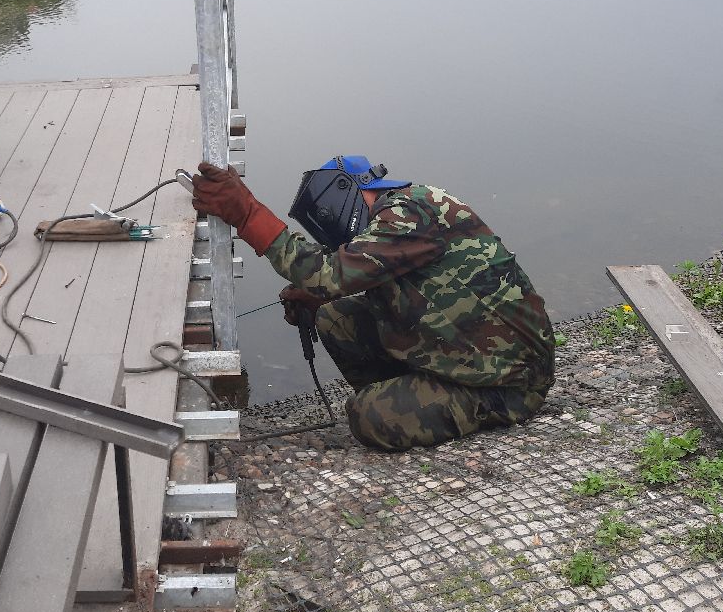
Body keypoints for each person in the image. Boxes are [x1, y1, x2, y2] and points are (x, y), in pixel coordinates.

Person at [192, 156, 555, 451]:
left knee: (368, 417)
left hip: (507, 380)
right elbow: (381, 277)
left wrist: (247, 214)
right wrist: (318, 295)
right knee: (334, 317)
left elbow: (329, 273)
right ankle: (414, 397)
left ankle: (414, 406)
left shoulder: (409, 211)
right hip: (463, 352)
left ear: (344, 194)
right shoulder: (403, 211)